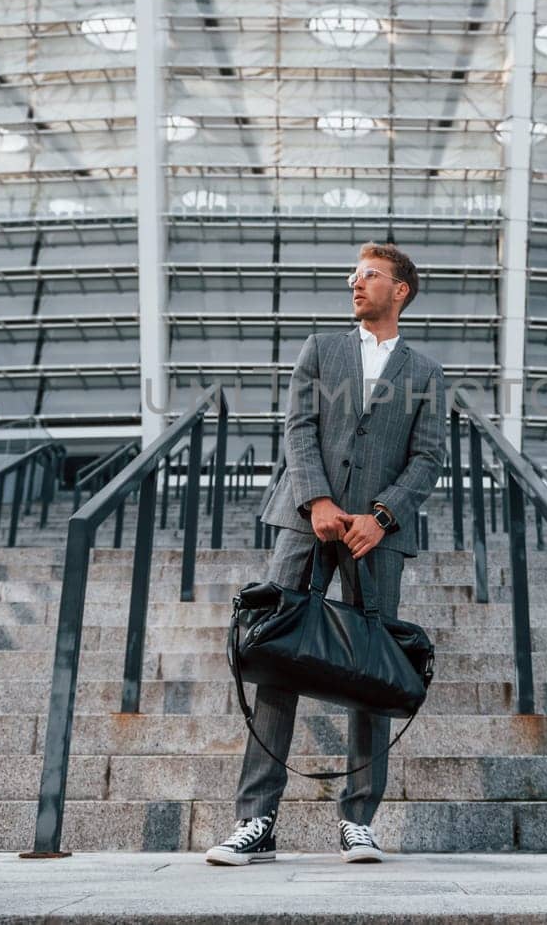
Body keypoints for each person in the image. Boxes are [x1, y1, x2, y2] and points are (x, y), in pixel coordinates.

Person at [205, 242, 447, 866]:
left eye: (370, 276)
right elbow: (299, 429)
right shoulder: (319, 349)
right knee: (278, 657)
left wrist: (383, 516)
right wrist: (316, 500)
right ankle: (256, 821)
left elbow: (427, 458)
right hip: (303, 522)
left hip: (377, 535)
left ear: (402, 291)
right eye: (353, 276)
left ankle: (359, 819)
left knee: (372, 669)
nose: (355, 284)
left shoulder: (425, 372)